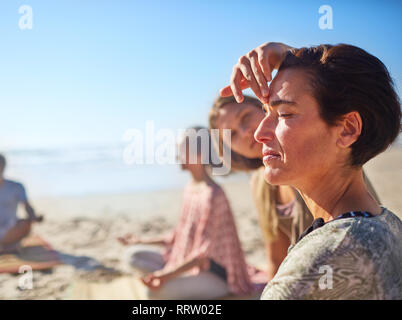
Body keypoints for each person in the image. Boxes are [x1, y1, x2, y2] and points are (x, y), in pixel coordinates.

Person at [220, 42, 402, 299]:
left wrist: (296, 59)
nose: (260, 133)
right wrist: (295, 59)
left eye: (283, 114)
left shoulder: (320, 262)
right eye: (266, 112)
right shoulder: (387, 224)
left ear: (348, 129)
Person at [209, 95, 380, 279]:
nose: (243, 132)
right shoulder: (261, 182)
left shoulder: (315, 153)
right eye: (232, 134)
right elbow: (276, 258)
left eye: (245, 117)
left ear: (265, 109)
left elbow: (362, 233)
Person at [118, 127, 267, 299]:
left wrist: (165, 276)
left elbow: (202, 256)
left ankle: (184, 281)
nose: (176, 156)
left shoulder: (214, 194)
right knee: (132, 255)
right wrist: (140, 240)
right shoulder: (191, 187)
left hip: (215, 275)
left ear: (200, 154)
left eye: (182, 151)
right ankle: (180, 278)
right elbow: (179, 235)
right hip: (184, 261)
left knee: (152, 293)